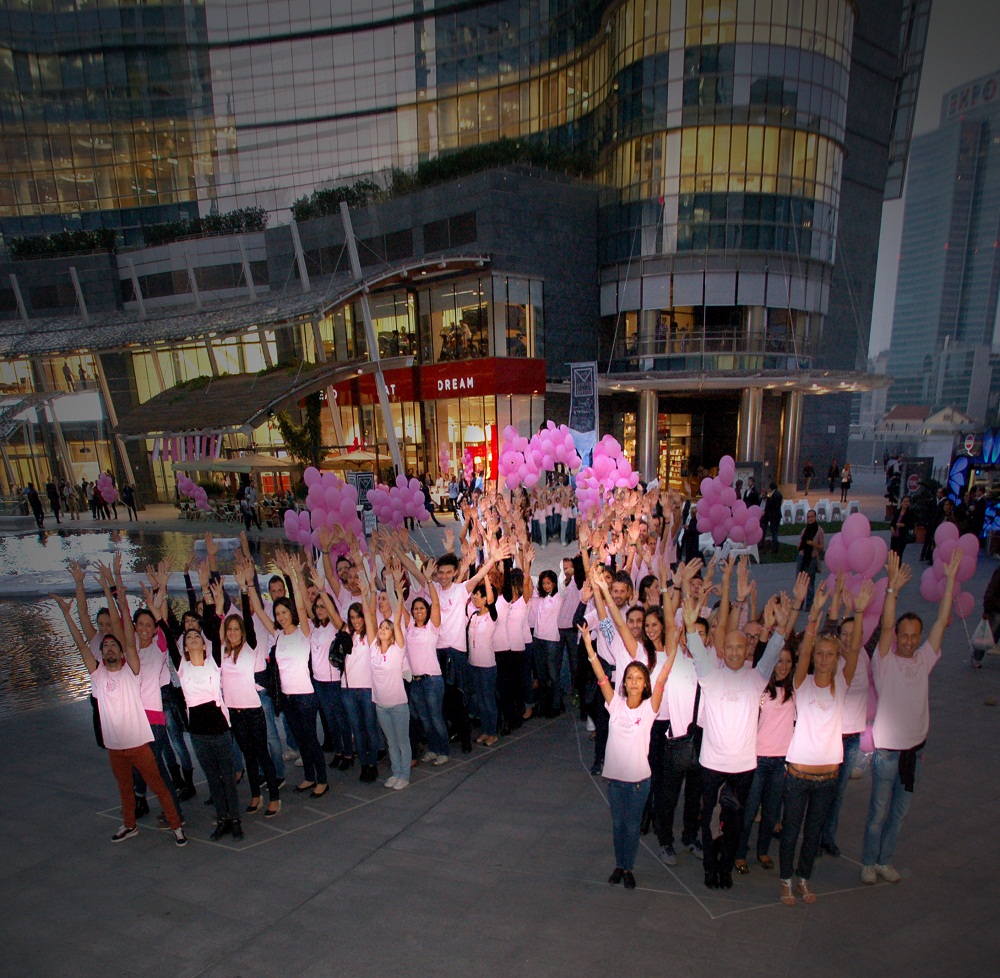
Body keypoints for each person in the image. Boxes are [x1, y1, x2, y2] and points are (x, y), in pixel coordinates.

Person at [685, 576, 804, 890]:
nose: (736, 652)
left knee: (735, 823)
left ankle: (726, 869)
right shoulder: (710, 676)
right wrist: (688, 623)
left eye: (742, 647)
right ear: (723, 650)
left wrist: (784, 621)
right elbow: (696, 649)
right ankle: (711, 870)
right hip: (712, 766)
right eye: (731, 647)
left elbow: (776, 645)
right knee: (711, 822)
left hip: (742, 768)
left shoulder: (757, 677)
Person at [51, 582, 187, 847]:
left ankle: (176, 825)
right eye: (107, 647)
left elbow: (126, 633)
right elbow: (81, 644)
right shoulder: (98, 674)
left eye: (115, 646)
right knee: (125, 788)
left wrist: (115, 592)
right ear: (101, 654)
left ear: (123, 651)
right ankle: (129, 824)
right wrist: (67, 614)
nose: (111, 648)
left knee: (158, 783)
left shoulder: (130, 669)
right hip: (116, 745)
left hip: (138, 740)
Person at [860, 549, 963, 884]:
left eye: (913, 636)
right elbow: (886, 625)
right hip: (887, 753)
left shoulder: (923, 659)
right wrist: (892, 589)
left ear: (918, 639)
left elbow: (942, 624)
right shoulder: (884, 660)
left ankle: (885, 861)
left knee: (899, 814)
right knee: (877, 812)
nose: (907, 640)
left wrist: (949, 583)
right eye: (903, 635)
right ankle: (868, 862)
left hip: (913, 752)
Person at [777, 580, 869, 905]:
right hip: (799, 774)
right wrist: (814, 614)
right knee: (791, 830)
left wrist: (857, 611)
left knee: (812, 834)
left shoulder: (842, 683)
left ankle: (804, 878)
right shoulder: (802, 682)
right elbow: (802, 652)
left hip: (828, 775)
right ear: (814, 656)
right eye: (820, 654)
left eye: (831, 654)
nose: (826, 659)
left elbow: (855, 649)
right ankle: (786, 879)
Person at [580, 622, 673, 890]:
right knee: (618, 825)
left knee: (632, 827)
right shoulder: (615, 705)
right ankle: (619, 865)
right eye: (629, 677)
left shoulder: (649, 709)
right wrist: (588, 644)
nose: (633, 682)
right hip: (615, 780)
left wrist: (673, 649)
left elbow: (664, 674)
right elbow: (600, 675)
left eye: (638, 678)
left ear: (646, 684)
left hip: (638, 782)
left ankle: (628, 867)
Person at [247, 551, 329, 798]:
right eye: (278, 614)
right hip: (287, 697)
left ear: (291, 613)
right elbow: (260, 613)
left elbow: (301, 604)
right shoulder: (278, 635)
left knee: (311, 740)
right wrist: (248, 585)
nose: (281, 617)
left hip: (305, 696)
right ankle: (309, 777)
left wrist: (293, 574)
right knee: (301, 741)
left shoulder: (304, 630)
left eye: (285, 612)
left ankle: (322, 780)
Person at [733, 642, 796, 875]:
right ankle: (739, 853)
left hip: (781, 761)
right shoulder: (761, 690)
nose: (783, 666)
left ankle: (762, 851)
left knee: (770, 813)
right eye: (779, 661)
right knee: (749, 812)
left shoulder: (794, 691)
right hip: (757, 759)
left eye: (788, 661)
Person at [364, 559, 412, 788]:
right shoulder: (373, 648)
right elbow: (368, 617)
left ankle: (404, 775)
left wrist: (399, 597)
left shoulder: (397, 649)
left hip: (398, 705)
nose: (382, 629)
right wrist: (370, 591)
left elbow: (398, 615)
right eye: (381, 627)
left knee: (403, 741)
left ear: (392, 634)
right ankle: (395, 772)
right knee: (391, 742)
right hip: (381, 705)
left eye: (386, 628)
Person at [401, 560, 451, 766]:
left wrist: (430, 580)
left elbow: (436, 603)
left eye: (422, 608)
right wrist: (395, 584)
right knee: (424, 719)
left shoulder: (432, 627)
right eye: (416, 609)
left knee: (436, 718)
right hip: (416, 681)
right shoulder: (410, 627)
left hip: (432, 681)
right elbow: (399, 606)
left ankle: (444, 751)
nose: (419, 611)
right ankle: (432, 748)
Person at [796, 509, 824, 611]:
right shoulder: (804, 530)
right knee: (800, 581)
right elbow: (800, 544)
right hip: (802, 557)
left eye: (812, 517)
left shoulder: (819, 531)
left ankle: (809, 604)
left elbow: (821, 547)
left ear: (815, 517)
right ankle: (799, 602)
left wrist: (813, 544)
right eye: (808, 517)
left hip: (812, 558)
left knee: (810, 582)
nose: (810, 519)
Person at [762, 482, 783, 553]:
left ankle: (774, 548)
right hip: (778, 515)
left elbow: (770, 504)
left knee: (774, 532)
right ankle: (775, 547)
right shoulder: (779, 494)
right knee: (775, 531)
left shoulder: (773, 495)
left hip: (774, 516)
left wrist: (767, 497)